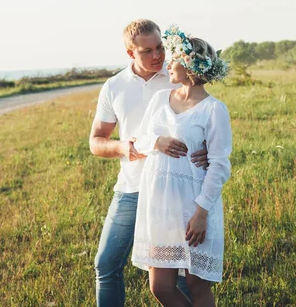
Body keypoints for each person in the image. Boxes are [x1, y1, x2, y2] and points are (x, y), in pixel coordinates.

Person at [89, 19, 209, 307]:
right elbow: (96, 141)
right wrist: (124, 146)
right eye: (147, 51)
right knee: (106, 264)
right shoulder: (114, 86)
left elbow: (207, 120)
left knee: (177, 269)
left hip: (174, 189)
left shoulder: (176, 76)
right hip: (131, 188)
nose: (158, 56)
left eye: (160, 48)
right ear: (131, 53)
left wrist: (207, 150)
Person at [131, 24, 232, 307]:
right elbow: (137, 143)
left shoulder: (214, 109)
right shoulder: (160, 99)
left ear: (189, 64)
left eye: (173, 58)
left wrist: (201, 213)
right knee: (160, 287)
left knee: (196, 285)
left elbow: (220, 165)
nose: (167, 63)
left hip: (194, 207)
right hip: (160, 206)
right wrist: (157, 142)